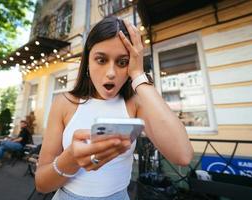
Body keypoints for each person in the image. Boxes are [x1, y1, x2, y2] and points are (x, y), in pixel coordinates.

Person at [35, 16, 194, 199]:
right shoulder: (64, 103)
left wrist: (138, 75)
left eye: (122, 62)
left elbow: (183, 155)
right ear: (87, 62)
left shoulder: (135, 103)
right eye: (101, 60)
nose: (111, 73)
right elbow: (42, 184)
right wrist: (70, 159)